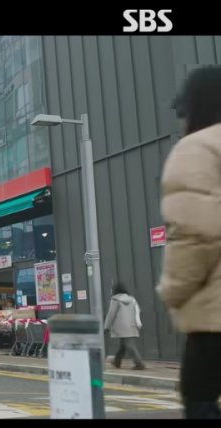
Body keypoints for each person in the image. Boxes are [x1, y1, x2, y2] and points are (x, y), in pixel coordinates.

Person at [157, 65, 221, 420]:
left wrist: (172, 292)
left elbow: (195, 235)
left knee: (199, 397)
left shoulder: (197, 148)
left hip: (214, 319)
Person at [104, 282, 145, 370]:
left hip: (121, 327)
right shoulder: (131, 299)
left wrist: (106, 326)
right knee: (124, 345)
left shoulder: (115, 299)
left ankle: (139, 363)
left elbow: (111, 314)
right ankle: (117, 361)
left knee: (129, 345)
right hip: (132, 325)